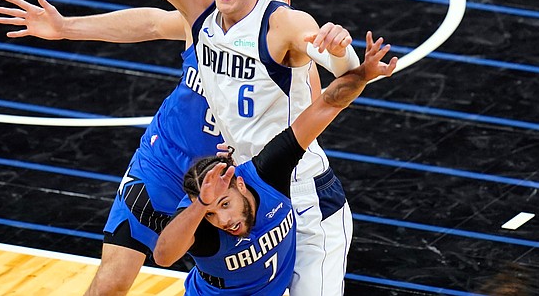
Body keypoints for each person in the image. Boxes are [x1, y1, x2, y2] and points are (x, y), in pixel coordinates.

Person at [34, 0, 365, 295]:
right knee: (128, 277)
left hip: (276, 187)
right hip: (208, 173)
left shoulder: (285, 31)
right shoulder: (201, 14)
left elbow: (335, 78)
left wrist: (341, 54)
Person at [0, 0, 308, 295]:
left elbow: (313, 120)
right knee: (111, 285)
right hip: (165, 163)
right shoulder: (210, 26)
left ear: (284, 8)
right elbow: (153, 24)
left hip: (229, 186)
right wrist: (66, 28)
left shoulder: (291, 60)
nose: (252, 5)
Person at [152, 32, 397, 295]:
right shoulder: (198, 217)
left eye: (225, 204)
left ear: (241, 184)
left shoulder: (266, 172)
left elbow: (327, 103)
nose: (223, 220)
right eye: (211, 213)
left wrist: (362, 75)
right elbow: (163, 257)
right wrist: (202, 207)